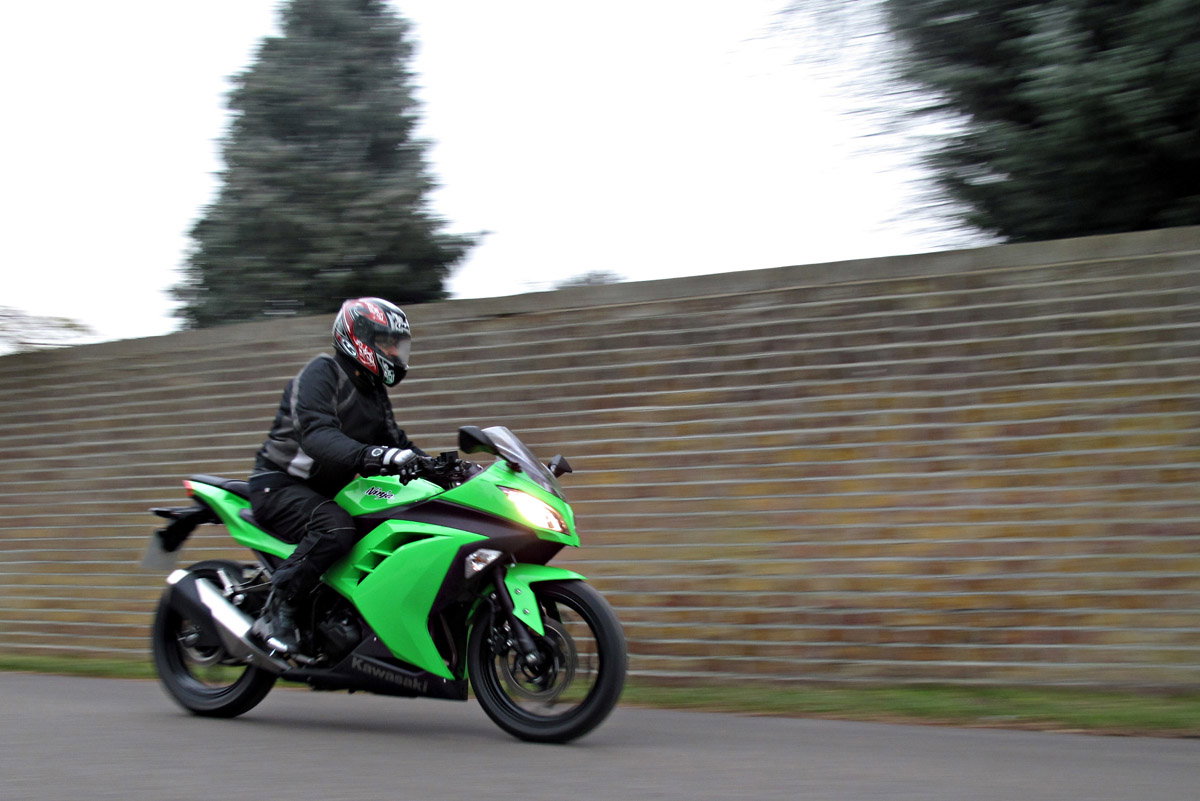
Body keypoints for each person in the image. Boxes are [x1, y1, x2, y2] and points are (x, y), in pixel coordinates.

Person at [249, 297, 427, 654]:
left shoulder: (372, 391)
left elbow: (394, 440)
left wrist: (436, 467)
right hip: (281, 485)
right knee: (336, 527)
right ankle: (277, 607)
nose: (394, 351)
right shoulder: (322, 373)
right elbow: (315, 434)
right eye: (387, 342)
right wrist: (371, 454)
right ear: (359, 339)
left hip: (328, 492)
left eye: (398, 344)